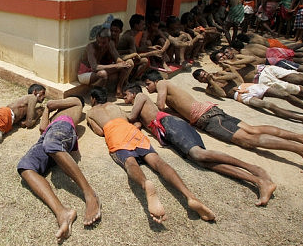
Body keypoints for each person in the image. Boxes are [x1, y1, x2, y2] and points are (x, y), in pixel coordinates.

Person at [143, 71, 303, 176]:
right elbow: (177, 108)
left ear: (154, 80)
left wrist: (151, 109)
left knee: (249, 140)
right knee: (254, 130)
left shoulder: (162, 84)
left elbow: (160, 105)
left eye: (147, 84)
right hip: (211, 111)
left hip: (208, 119)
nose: (148, 88)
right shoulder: (170, 87)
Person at [123, 85, 276, 206]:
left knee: (199, 154)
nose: (125, 98)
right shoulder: (142, 109)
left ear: (133, 93)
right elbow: (135, 122)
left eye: (126, 95)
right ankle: (258, 181)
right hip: (167, 131)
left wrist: (119, 114)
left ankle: (254, 169)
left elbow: (131, 116)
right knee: (203, 161)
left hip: (169, 124)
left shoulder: (141, 96)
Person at [86, 87, 215, 223]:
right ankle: (190, 197)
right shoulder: (114, 106)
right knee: (158, 162)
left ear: (93, 99)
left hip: (115, 134)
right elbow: (130, 120)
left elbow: (100, 132)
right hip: (131, 131)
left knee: (130, 163)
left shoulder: (91, 112)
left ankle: (145, 183)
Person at [17, 96, 101, 243]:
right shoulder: (56, 113)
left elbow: (49, 103)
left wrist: (49, 108)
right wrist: (47, 112)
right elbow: (43, 128)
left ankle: (90, 194)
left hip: (61, 128)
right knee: (25, 166)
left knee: (52, 144)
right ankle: (62, 213)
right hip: (47, 135)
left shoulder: (76, 102)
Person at [192, 67, 303, 129]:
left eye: (204, 73)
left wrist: (216, 78)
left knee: (285, 94)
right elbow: (221, 94)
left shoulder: (218, 73)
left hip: (247, 86)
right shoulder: (209, 88)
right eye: (202, 78)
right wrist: (212, 82)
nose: (205, 76)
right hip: (240, 96)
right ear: (200, 81)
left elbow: (233, 76)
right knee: (269, 106)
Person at [78, 27, 133, 98]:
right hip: (85, 74)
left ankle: (119, 90)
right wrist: (116, 66)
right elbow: (94, 67)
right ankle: (97, 96)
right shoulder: (91, 47)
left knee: (128, 64)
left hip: (97, 71)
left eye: (103, 43)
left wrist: (123, 63)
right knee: (103, 74)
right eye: (98, 42)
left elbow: (117, 57)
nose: (100, 45)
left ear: (109, 40)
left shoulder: (110, 44)